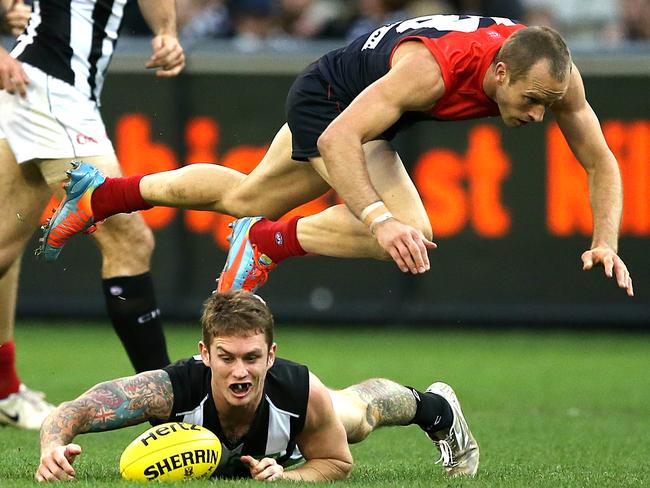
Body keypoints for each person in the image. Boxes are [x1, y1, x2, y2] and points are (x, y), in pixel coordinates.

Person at [39, 14, 634, 298]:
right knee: (409, 231)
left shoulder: (557, 75)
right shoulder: (433, 70)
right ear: (500, 71)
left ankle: (98, 194)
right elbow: (338, 140)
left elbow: (602, 161)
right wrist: (376, 217)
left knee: (242, 196)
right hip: (333, 107)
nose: (536, 116)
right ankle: (265, 242)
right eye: (530, 101)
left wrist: (604, 239)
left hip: (366, 113)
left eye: (545, 104)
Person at [35, 290, 479, 482]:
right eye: (226, 358)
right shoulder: (169, 389)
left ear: (270, 355)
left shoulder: (298, 391)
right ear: (205, 354)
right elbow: (77, 410)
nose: (240, 372)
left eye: (252, 358)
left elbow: (337, 464)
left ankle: (436, 407)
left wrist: (289, 477)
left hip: (293, 441)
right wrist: (52, 448)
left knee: (359, 415)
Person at [0, 0, 185, 430]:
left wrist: (167, 30)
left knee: (3, 248)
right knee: (130, 240)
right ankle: (174, 406)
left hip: (47, 87)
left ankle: (5, 388)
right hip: (49, 89)